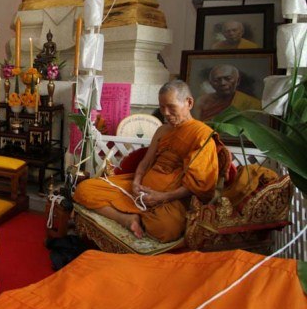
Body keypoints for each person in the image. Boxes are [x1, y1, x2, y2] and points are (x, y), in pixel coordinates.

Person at [74, 80, 220, 243]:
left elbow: (196, 185)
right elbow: (145, 162)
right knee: (84, 189)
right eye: (162, 107)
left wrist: (162, 197)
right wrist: (136, 182)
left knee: (165, 229)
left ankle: (137, 214)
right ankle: (126, 219)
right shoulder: (162, 130)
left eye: (171, 107)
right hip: (138, 192)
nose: (166, 113)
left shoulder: (202, 136)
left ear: (189, 103)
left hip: (171, 199)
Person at [194, 64, 261, 121]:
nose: (222, 83)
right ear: (211, 83)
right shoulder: (202, 102)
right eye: (217, 80)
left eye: (228, 78)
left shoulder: (251, 103)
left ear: (237, 81)